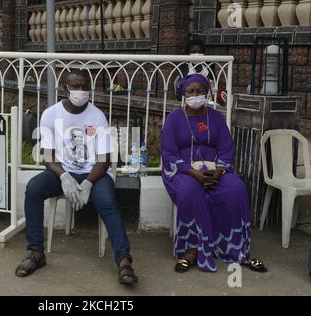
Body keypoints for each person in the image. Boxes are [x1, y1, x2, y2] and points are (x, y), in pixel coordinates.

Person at [15, 70, 138, 285]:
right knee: (33, 189)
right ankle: (36, 253)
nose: (81, 92)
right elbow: (48, 156)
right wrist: (63, 176)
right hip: (64, 171)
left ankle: (124, 261)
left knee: (107, 203)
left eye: (85, 87)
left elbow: (104, 159)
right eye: (76, 87)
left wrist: (89, 182)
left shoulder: (97, 115)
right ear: (66, 89)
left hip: (95, 173)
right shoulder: (51, 114)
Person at [161, 73, 267, 273]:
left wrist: (218, 171)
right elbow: (168, 153)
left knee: (236, 188)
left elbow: (227, 148)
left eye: (199, 91)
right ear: (183, 94)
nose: (195, 95)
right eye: (190, 91)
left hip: (214, 170)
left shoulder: (215, 117)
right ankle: (191, 250)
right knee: (190, 192)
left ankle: (234, 249)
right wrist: (194, 173)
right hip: (183, 171)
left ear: (207, 93)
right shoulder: (174, 119)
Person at [175, 39, 227, 106]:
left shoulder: (209, 69)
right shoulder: (183, 70)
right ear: (188, 53)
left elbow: (215, 88)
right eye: (193, 52)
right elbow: (179, 95)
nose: (197, 54)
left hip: (209, 105)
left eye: (200, 52)